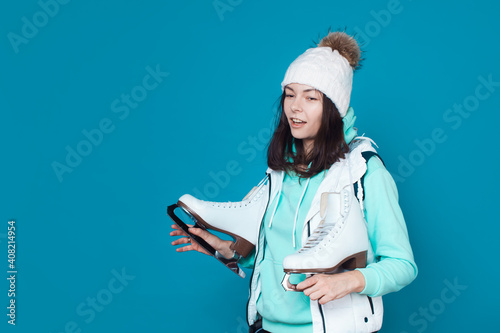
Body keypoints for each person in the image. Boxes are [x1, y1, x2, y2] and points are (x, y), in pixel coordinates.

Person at [170, 30, 417, 333]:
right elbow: (275, 260)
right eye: (290, 94)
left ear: (333, 108)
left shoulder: (364, 172)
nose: (295, 107)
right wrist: (227, 249)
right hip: (267, 328)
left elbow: (403, 265)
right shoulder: (280, 173)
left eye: (311, 97)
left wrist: (348, 280)